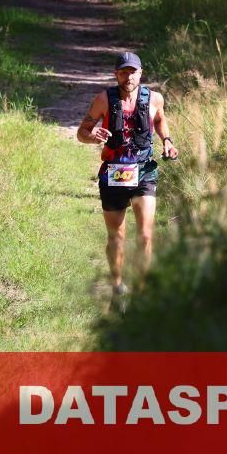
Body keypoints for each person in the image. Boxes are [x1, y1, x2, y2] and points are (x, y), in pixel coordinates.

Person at [76, 52, 179, 309]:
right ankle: (117, 287)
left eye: (132, 72)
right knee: (117, 237)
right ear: (116, 74)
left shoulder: (154, 98)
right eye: (123, 72)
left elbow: (159, 119)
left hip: (144, 171)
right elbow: (81, 133)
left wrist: (167, 141)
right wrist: (92, 136)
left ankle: (141, 292)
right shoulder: (103, 99)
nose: (128, 77)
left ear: (140, 73)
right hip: (114, 172)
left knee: (145, 235)